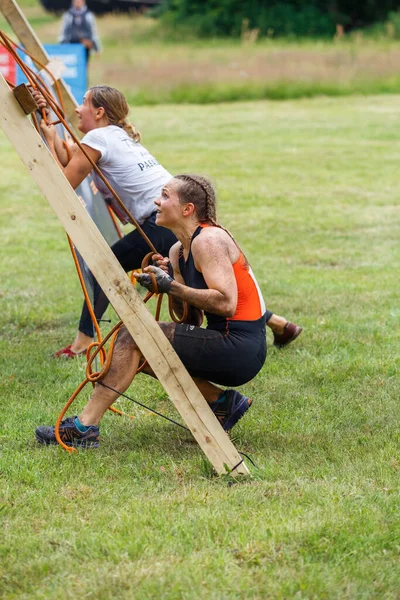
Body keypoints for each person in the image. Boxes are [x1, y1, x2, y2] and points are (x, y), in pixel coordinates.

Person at [35, 85, 302, 358]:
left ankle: (83, 341)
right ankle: (279, 324)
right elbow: (72, 160)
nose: (77, 109)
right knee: (200, 284)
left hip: (160, 219)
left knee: (103, 267)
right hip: (177, 217)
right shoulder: (115, 136)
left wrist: (49, 140)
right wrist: (51, 136)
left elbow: (66, 181)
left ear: (100, 112)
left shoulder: (99, 138)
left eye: (83, 103)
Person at [36, 174, 272, 447]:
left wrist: (171, 286)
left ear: (187, 209)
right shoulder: (177, 251)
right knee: (143, 349)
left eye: (165, 196)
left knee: (134, 336)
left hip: (242, 348)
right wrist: (171, 277)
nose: (157, 201)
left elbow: (226, 303)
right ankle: (220, 402)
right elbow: (191, 318)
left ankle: (83, 428)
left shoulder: (209, 240)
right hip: (226, 342)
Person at [59, 0, 101, 64]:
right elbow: (63, 32)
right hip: (71, 45)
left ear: (83, 2)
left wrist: (96, 48)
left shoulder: (88, 15)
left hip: (85, 47)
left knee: (83, 66)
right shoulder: (68, 15)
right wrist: (62, 45)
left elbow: (93, 32)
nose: (77, 2)